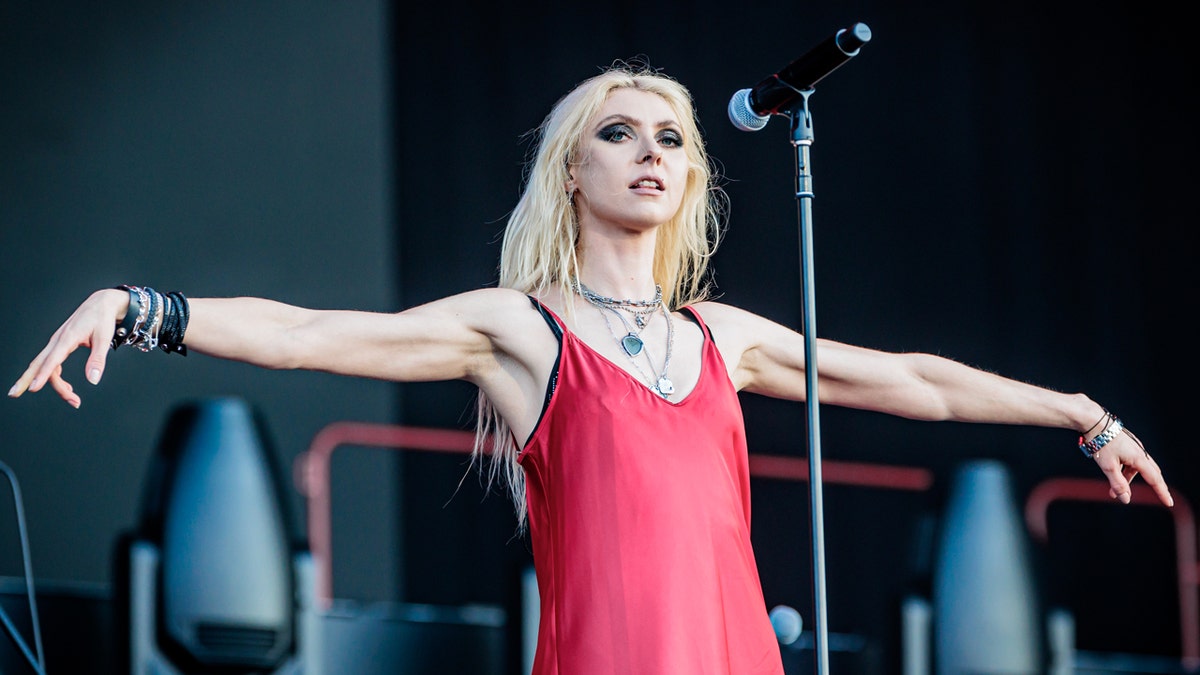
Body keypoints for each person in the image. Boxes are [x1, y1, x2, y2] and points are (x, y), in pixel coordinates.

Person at [8, 62, 1173, 675]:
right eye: (620, 132)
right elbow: (318, 335)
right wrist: (145, 307)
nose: (651, 152)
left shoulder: (723, 337)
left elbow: (914, 382)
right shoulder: (522, 330)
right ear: (573, 169)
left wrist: (1077, 411)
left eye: (671, 135)